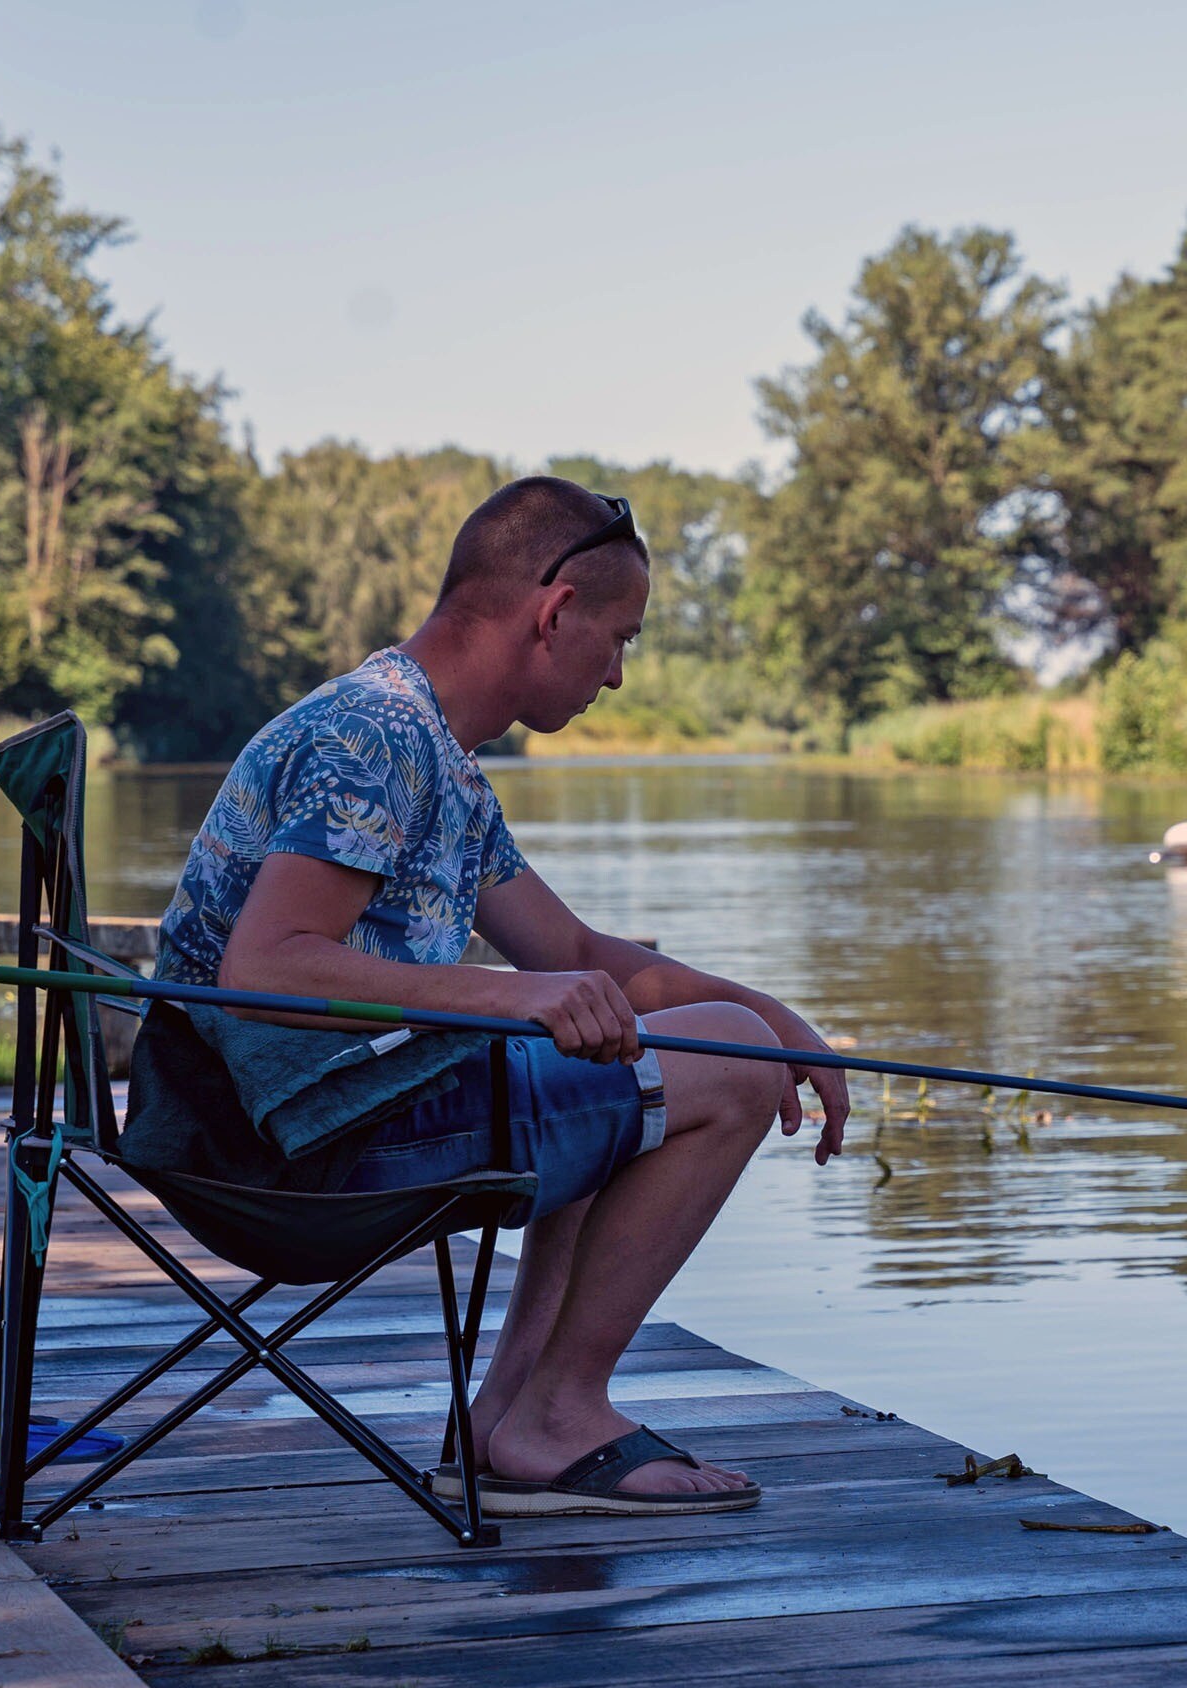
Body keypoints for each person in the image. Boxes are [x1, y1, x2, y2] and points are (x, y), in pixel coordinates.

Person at [125, 478, 848, 1518]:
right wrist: (516, 998)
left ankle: (514, 1421)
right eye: (621, 638)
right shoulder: (374, 738)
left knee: (698, 1041)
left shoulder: (437, 756)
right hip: (291, 1150)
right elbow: (268, 967)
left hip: (319, 1117)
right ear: (554, 614)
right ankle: (555, 1411)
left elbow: (579, 952)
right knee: (719, 1065)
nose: (618, 671)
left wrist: (780, 1021)